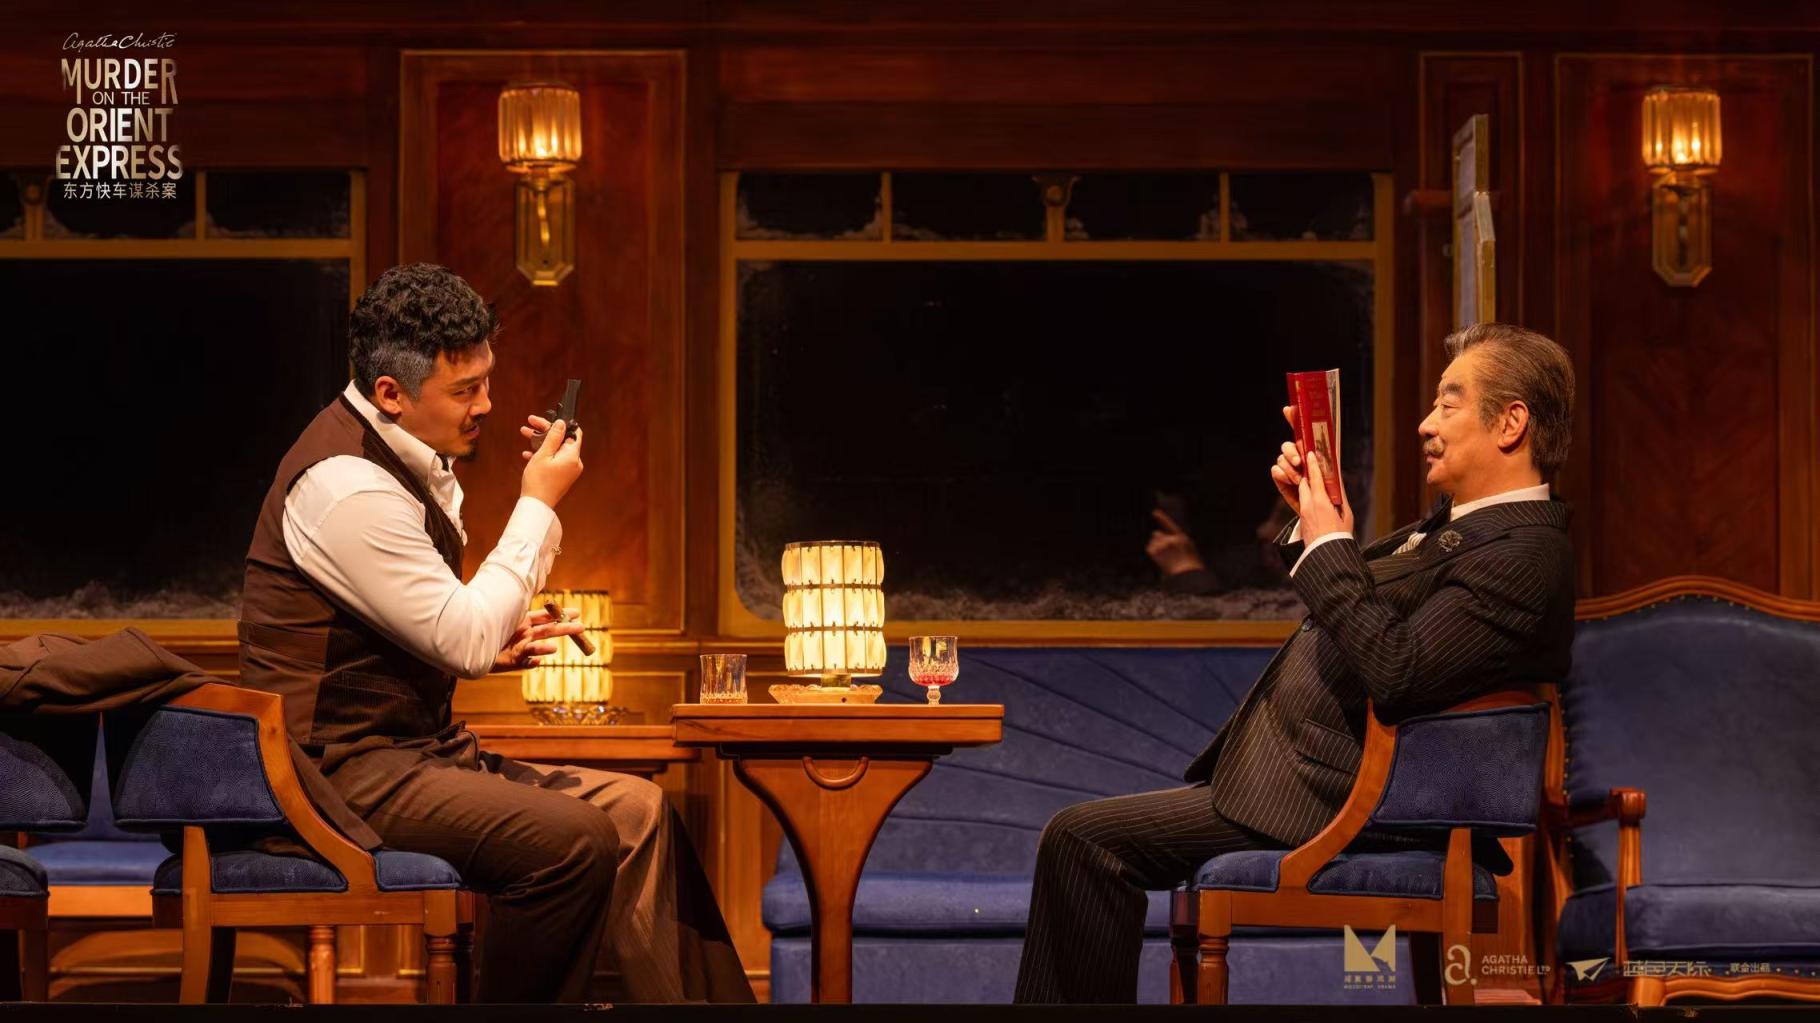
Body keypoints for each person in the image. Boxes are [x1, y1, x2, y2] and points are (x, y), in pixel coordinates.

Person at [1015, 322, 1578, 1003]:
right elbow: (1362, 603)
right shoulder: (1462, 528)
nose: (1427, 424)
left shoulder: (1525, 552)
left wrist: (1332, 545)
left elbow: (1397, 668)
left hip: (1350, 804)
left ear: (1511, 422)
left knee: (1083, 841)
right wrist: (1316, 525)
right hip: (1307, 785)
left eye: (1448, 404)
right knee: (1079, 839)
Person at [235, 263, 752, 1003]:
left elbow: (444, 628)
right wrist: (537, 503)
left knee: (639, 812)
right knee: (570, 840)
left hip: (412, 754)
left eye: (486, 380)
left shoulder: (407, 460)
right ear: (391, 392)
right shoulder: (344, 486)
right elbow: (465, 638)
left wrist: (486, 639)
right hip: (335, 773)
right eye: (465, 390)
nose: (487, 403)